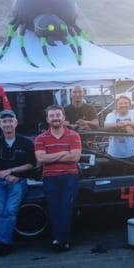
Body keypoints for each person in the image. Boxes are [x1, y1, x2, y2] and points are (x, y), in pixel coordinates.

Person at [0, 109, 36, 256]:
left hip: (18, 182)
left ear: (15, 123)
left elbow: (32, 164)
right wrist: (2, 175)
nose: (7, 124)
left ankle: (1, 242)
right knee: (1, 211)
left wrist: (13, 172)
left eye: (10, 121)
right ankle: (4, 241)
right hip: (0, 183)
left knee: (9, 211)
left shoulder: (26, 143)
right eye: (4, 121)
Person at [35, 105, 82, 251]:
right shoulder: (40, 138)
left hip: (70, 176)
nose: (55, 118)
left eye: (58, 115)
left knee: (66, 208)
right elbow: (41, 158)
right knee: (54, 208)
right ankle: (59, 239)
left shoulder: (74, 135)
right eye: (52, 116)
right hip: (50, 177)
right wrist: (63, 153)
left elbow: (74, 157)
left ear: (63, 117)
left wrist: (52, 156)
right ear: (47, 119)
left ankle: (61, 239)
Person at [104, 95, 134, 161]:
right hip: (114, 153)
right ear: (116, 105)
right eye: (120, 103)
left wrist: (128, 123)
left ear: (129, 105)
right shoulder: (111, 115)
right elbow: (106, 125)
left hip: (131, 153)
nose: (123, 105)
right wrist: (119, 125)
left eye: (126, 103)